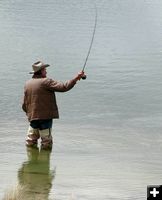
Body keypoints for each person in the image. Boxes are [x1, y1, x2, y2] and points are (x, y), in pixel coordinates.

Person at [22, 61, 85, 150]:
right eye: (45, 70)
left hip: (32, 117)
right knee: (46, 143)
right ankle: (43, 162)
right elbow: (64, 87)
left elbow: (24, 104)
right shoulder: (46, 81)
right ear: (41, 71)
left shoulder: (27, 84)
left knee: (30, 142)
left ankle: (32, 161)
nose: (46, 72)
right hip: (45, 118)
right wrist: (76, 78)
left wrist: (30, 114)